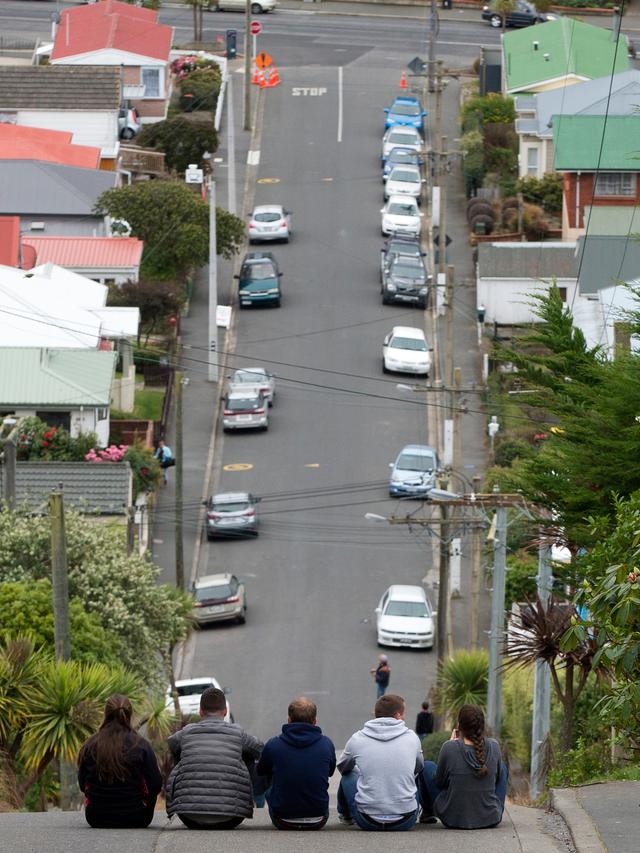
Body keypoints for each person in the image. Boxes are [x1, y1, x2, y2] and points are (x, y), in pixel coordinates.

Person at [166, 686, 263, 830]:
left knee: (182, 750)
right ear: (225, 712)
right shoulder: (238, 733)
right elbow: (260, 749)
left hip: (189, 816)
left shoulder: (187, 732)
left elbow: (171, 743)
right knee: (247, 755)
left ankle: (188, 793)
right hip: (231, 817)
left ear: (200, 712)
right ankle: (245, 800)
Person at [337, 693, 423, 832]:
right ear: (397, 715)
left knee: (348, 774)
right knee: (415, 776)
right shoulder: (412, 738)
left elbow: (342, 767)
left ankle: (346, 816)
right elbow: (419, 767)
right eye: (403, 713)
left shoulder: (358, 738)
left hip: (367, 820)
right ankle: (420, 811)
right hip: (405, 820)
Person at [77, 694, 162, 829]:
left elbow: (83, 785)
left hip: (96, 817)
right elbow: (156, 785)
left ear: (106, 714)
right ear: (130, 714)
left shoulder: (90, 745)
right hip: (137, 817)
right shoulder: (141, 745)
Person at [419, 703, 508, 829]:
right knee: (503, 767)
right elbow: (497, 780)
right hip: (491, 817)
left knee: (427, 766)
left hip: (453, 819)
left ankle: (427, 812)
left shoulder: (449, 748)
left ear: (459, 725)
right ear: (482, 725)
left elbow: (439, 782)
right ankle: (487, 806)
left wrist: (450, 747)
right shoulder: (494, 746)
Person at [256, 696, 336, 831]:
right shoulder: (326, 744)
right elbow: (330, 771)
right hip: (319, 818)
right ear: (315, 722)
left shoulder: (274, 744)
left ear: (289, 720)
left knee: (268, 770)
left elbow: (260, 771)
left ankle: (258, 805)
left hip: (282, 819)